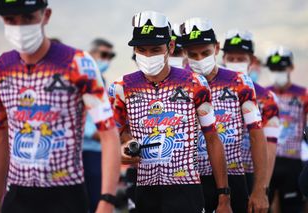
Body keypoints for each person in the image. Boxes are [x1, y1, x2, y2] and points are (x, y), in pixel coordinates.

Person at [0, 1, 121, 213]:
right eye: (10, 19)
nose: (20, 27)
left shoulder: (78, 63)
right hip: (17, 194)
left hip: (65, 194)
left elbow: (108, 132)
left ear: (45, 15)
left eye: (28, 18)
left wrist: (107, 200)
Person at [108, 11, 231, 213]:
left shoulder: (195, 83)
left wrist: (224, 196)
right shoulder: (121, 87)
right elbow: (114, 135)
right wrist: (125, 147)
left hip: (186, 187)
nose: (148, 56)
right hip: (144, 188)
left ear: (170, 46)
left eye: (155, 49)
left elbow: (212, 138)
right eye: (141, 49)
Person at [180, 18, 269, 213]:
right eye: (193, 54)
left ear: (217, 48)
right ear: (184, 53)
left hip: (233, 177)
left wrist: (260, 189)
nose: (199, 58)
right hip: (188, 180)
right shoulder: (177, 83)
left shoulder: (240, 81)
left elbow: (256, 135)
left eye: (205, 52)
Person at [221, 29, 280, 194]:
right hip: (213, 175)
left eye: (240, 59)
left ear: (251, 60)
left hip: (249, 175)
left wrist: (263, 188)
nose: (235, 62)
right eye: (231, 58)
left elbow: (270, 146)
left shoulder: (267, 97)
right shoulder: (208, 90)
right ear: (223, 58)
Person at [266, 46, 308, 213]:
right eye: (274, 69)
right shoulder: (264, 93)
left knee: (293, 208)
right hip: (268, 159)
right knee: (262, 206)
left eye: (281, 68)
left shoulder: (303, 94)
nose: (278, 72)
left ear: (291, 68)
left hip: (293, 161)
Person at [83, 38, 116, 212]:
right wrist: (104, 135)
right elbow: (84, 118)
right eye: (104, 54)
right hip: (87, 150)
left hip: (100, 148)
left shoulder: (100, 79)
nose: (107, 59)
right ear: (92, 54)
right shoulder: (86, 78)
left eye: (111, 55)